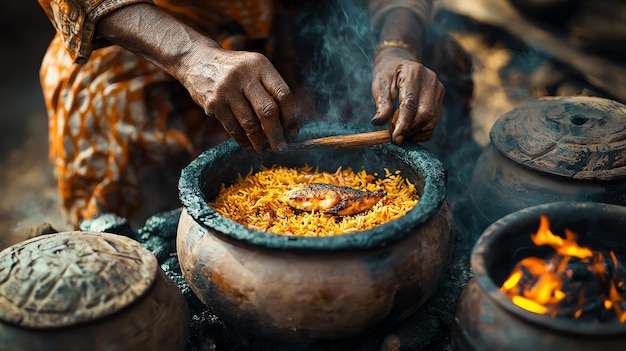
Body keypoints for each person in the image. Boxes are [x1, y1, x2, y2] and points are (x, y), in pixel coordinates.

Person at [37, 0, 458, 228]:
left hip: (307, 16)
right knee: (99, 99)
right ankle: (130, 244)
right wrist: (191, 57)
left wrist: (396, 49)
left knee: (443, 60)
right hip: (158, 25)